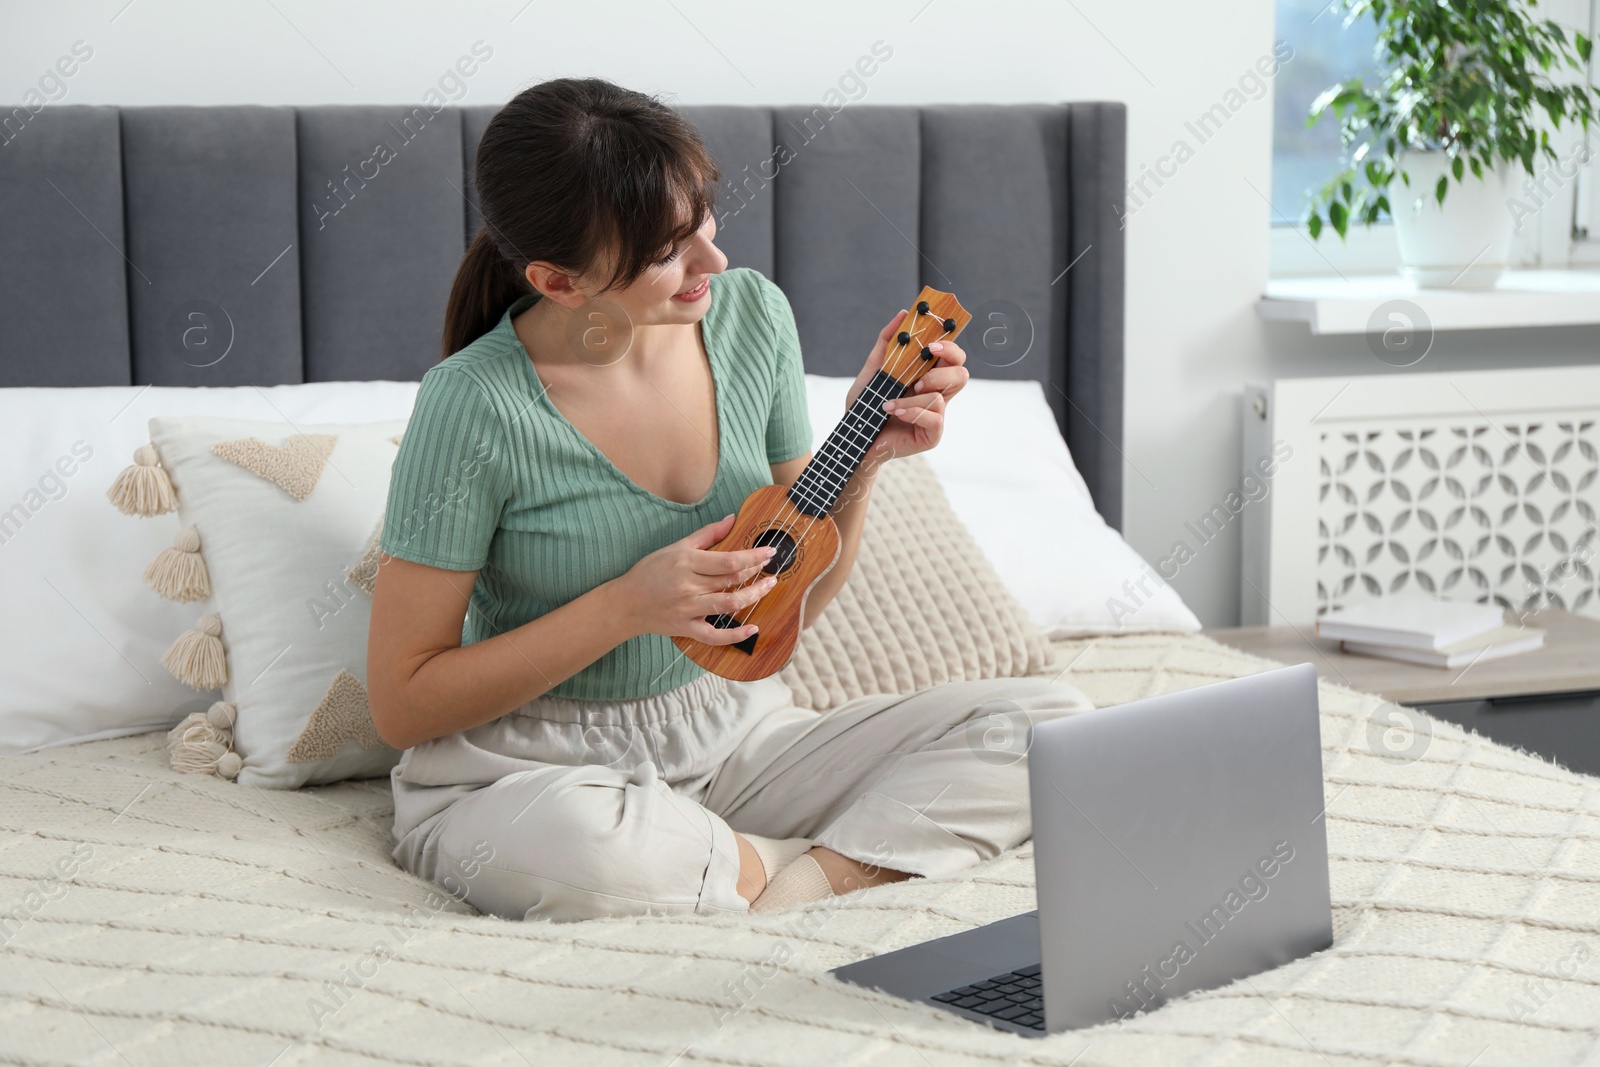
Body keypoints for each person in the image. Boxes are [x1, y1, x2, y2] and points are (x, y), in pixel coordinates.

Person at [366, 76, 1093, 923]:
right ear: (559, 281)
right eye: (666, 253)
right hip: (531, 767)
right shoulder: (473, 403)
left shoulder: (753, 320)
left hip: (736, 734)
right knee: (598, 849)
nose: (711, 262)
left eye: (701, 220)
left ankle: (766, 881)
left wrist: (861, 456)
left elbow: (788, 602)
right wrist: (626, 606)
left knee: (1049, 727)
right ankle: (832, 863)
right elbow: (402, 700)